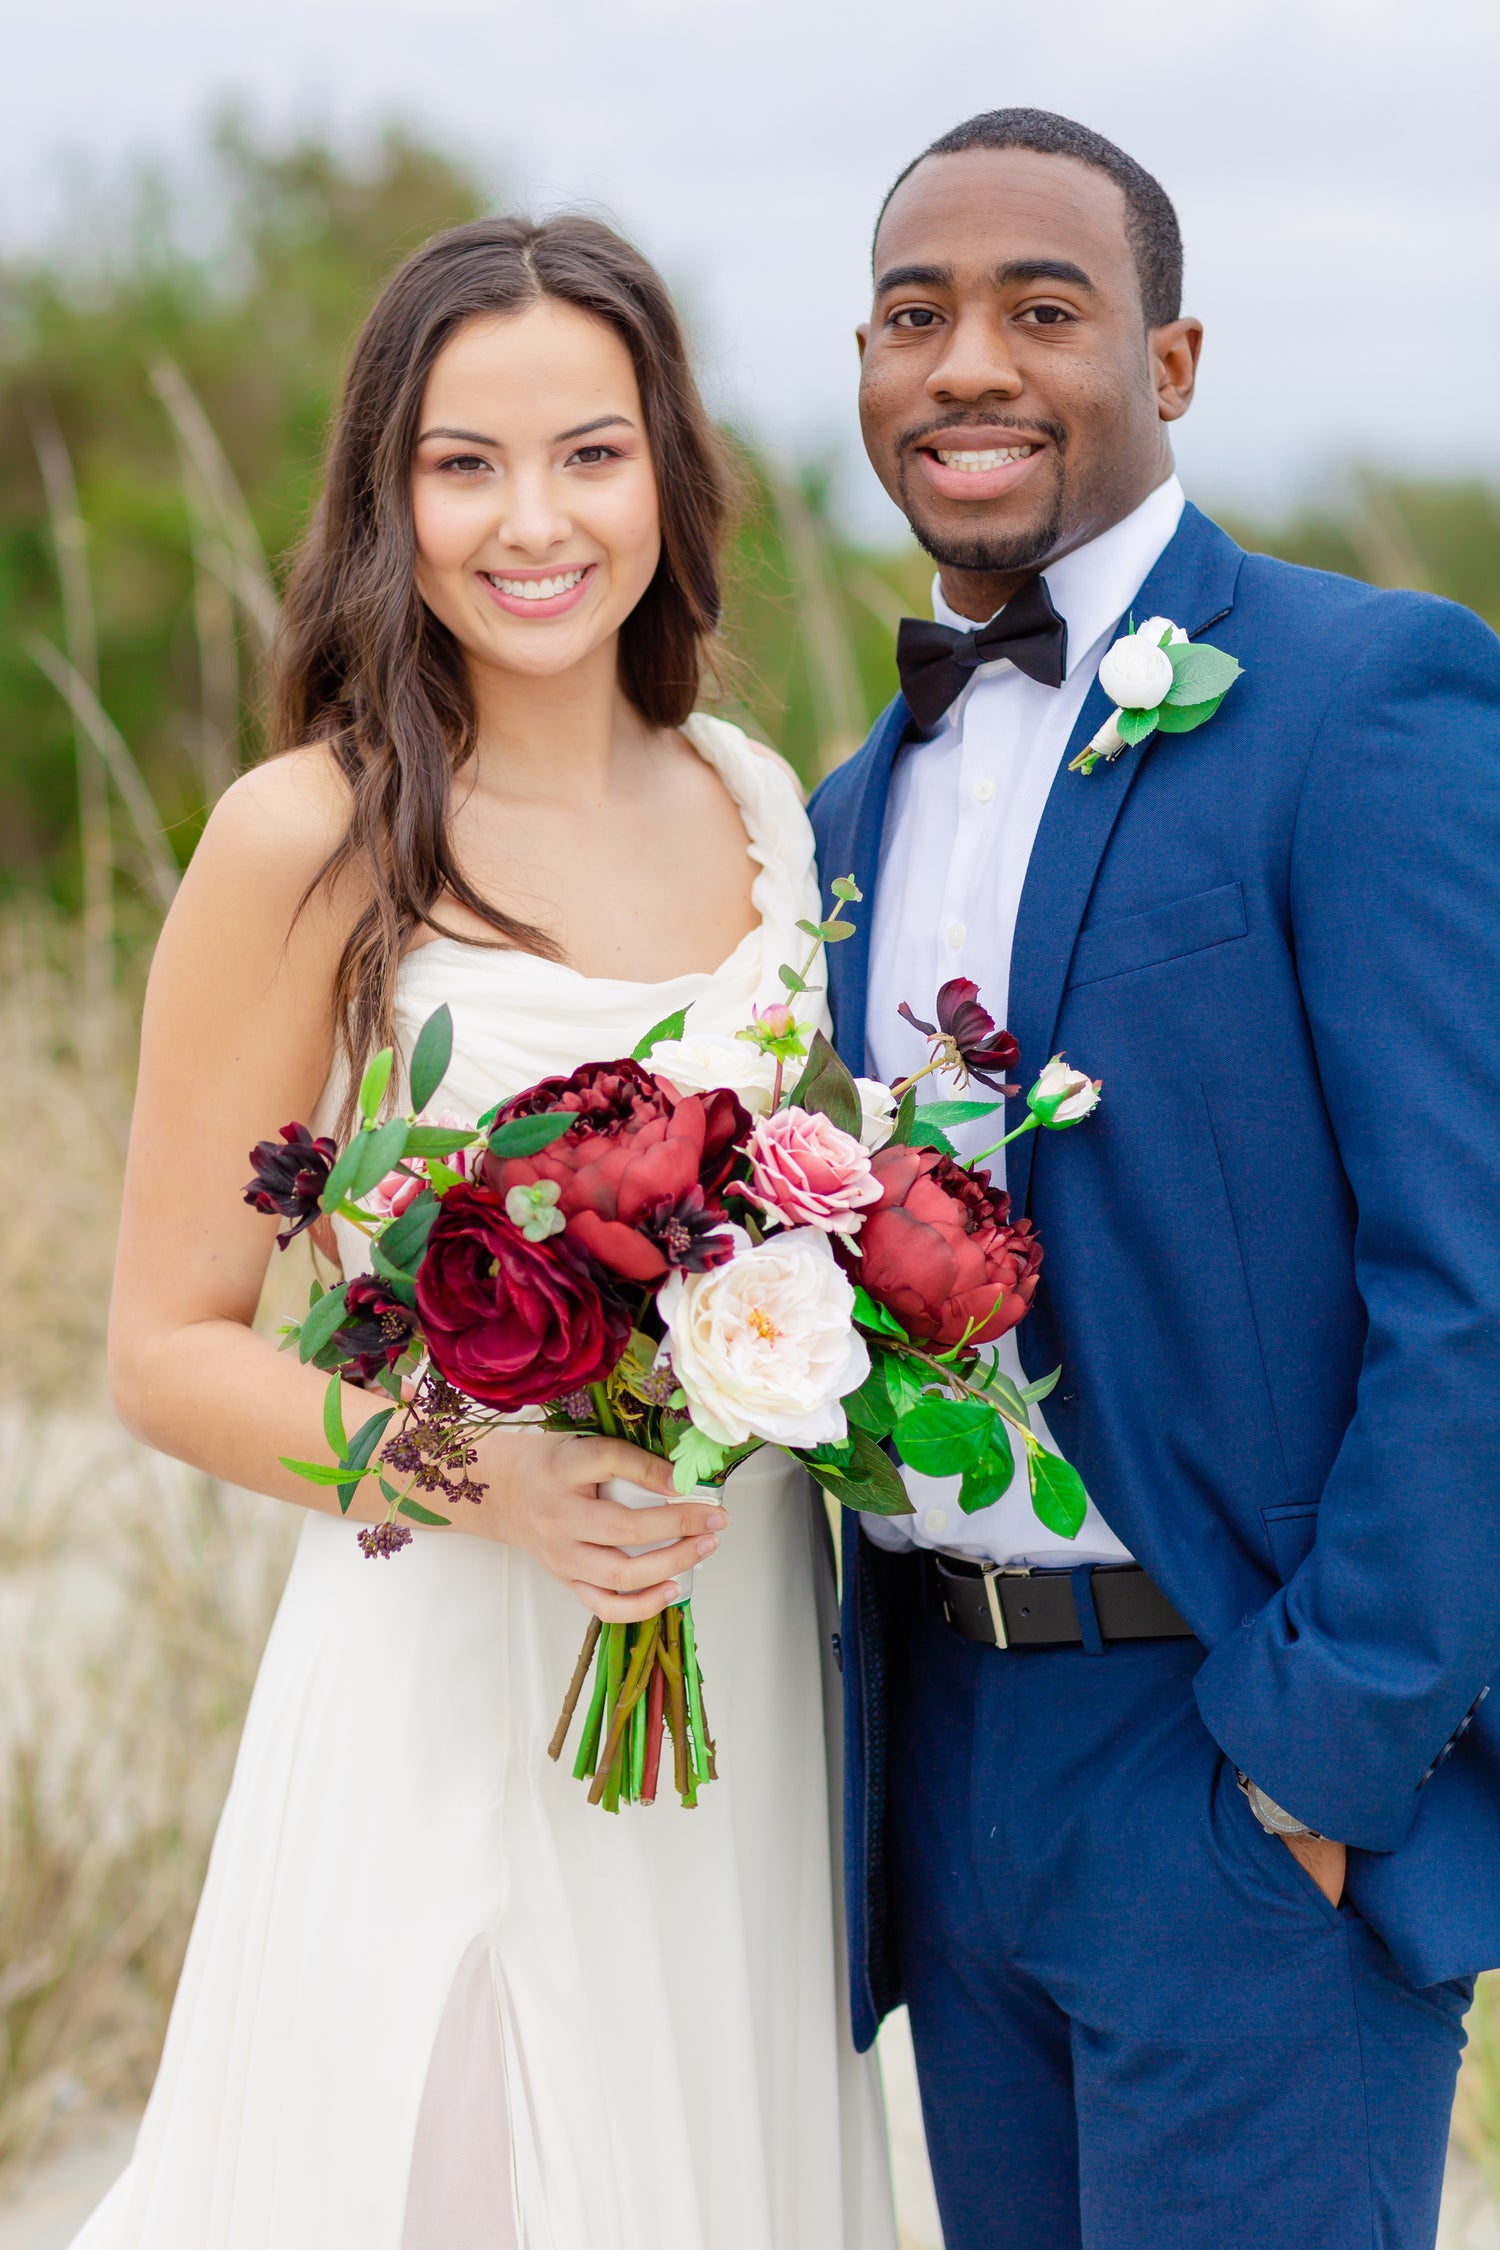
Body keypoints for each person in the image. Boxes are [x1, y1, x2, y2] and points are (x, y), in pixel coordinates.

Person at [76, 215, 895, 2250]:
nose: (533, 520)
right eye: (465, 463)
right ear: (388, 495)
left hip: (738, 1674)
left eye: (591, 454)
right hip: (445, 1666)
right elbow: (168, 1346)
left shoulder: (754, 797)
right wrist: (490, 1474)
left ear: (671, 475)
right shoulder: (312, 833)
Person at [810, 106, 1500, 2250]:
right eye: (917, 318)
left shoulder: (1360, 694)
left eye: (1044, 310)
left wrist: (1322, 1758)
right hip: (937, 1754)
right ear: (861, 370)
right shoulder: (844, 806)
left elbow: (1468, 1277)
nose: (970, 368)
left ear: (1171, 364)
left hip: (1230, 1752)